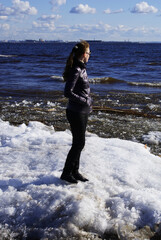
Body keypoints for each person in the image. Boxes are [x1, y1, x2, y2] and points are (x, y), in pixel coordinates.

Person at [60, 40, 92, 184]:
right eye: (89, 53)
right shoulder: (76, 70)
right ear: (83, 54)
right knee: (79, 143)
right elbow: (68, 92)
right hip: (76, 111)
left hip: (82, 111)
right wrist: (84, 100)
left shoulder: (81, 68)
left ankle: (75, 171)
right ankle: (66, 173)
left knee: (78, 142)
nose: (90, 55)